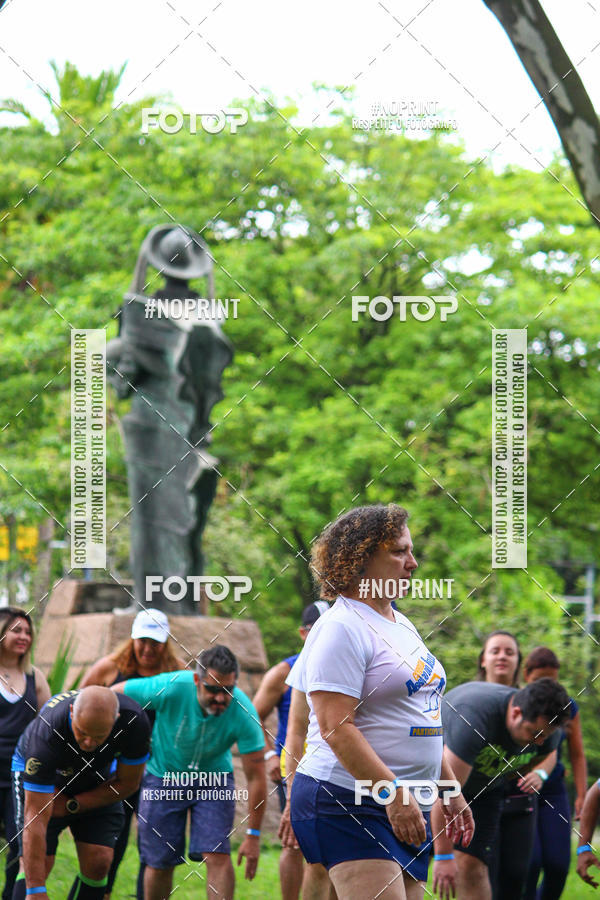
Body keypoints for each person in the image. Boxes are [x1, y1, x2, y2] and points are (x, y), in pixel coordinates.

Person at [288, 504, 473, 900]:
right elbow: (336, 729)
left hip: (406, 799)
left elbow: (422, 714)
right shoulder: (341, 627)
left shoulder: (400, 622)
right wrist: (392, 795)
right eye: (399, 551)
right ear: (361, 558)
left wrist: (449, 788)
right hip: (348, 798)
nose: (413, 562)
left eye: (410, 550)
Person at [112, 644, 266, 900]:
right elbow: (115, 694)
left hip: (213, 780)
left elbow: (256, 776)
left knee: (217, 853)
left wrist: (254, 835)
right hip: (164, 777)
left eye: (227, 690)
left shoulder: (243, 711)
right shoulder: (172, 686)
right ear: (197, 680)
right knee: (159, 860)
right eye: (213, 689)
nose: (220, 698)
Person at [431, 677, 570, 900]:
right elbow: (445, 791)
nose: (541, 742)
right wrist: (443, 857)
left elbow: (544, 757)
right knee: (412, 864)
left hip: (486, 788)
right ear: (515, 713)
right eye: (535, 734)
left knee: (474, 865)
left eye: (546, 736)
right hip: (433, 782)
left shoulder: (545, 732)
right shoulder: (474, 718)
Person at [80, 609, 185, 899]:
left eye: (156, 643)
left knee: (152, 840)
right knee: (112, 838)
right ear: (132, 639)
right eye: (143, 641)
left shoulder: (177, 673)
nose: (148, 649)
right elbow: (78, 708)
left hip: (156, 769)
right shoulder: (109, 669)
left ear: (166, 643)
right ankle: (102, 892)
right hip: (115, 768)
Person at [11, 685, 151, 900]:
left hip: (96, 778)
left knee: (100, 860)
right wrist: (35, 890)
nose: (88, 742)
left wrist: (73, 804)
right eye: (82, 732)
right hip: (46, 780)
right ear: (71, 713)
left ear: (115, 720)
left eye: (98, 736)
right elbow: (34, 818)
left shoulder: (134, 723)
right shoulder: (47, 734)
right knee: (39, 864)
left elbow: (128, 784)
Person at [252, 600, 329, 900]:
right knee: (293, 840)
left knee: (329, 841)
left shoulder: (342, 663)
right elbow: (251, 714)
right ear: (302, 633)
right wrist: (270, 754)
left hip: (333, 765)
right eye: (316, 631)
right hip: (295, 765)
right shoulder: (284, 671)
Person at [476, 631, 557, 899]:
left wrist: (541, 773)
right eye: (495, 650)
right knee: (482, 875)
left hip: (519, 801)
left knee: (516, 877)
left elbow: (551, 748)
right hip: (478, 803)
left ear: (518, 662)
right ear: (483, 660)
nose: (502, 657)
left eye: (509, 652)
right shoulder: (469, 702)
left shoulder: (537, 702)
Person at [523, 647, 587, 900]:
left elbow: (577, 754)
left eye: (552, 679)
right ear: (526, 675)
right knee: (531, 862)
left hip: (553, 787)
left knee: (558, 864)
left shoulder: (567, 707)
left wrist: (582, 795)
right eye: (540, 680)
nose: (547, 686)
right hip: (521, 786)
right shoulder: (516, 701)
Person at [0, 608, 50, 900]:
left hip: (20, 775)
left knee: (19, 845)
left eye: (28, 632)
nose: (24, 637)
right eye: (16, 630)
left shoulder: (35, 677)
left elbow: (48, 725)